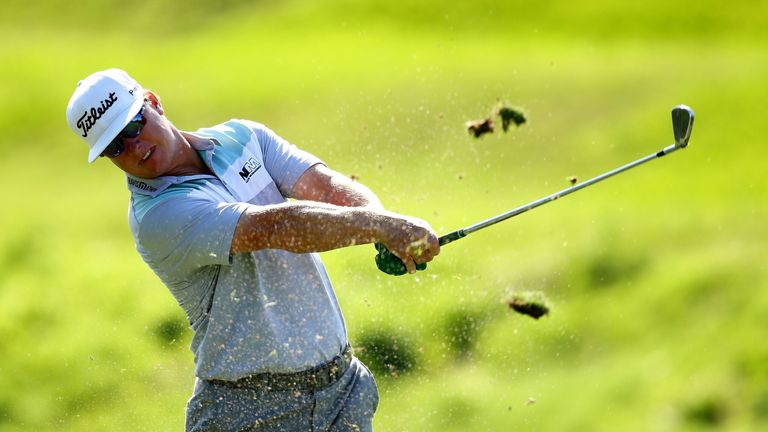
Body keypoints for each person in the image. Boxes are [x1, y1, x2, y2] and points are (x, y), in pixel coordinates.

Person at [66, 68, 440, 431]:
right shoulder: (158, 215)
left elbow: (327, 188)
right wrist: (384, 226)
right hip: (247, 412)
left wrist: (382, 225)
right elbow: (278, 227)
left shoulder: (242, 137)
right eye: (114, 146)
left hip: (341, 390)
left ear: (153, 102)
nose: (133, 147)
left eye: (133, 124)